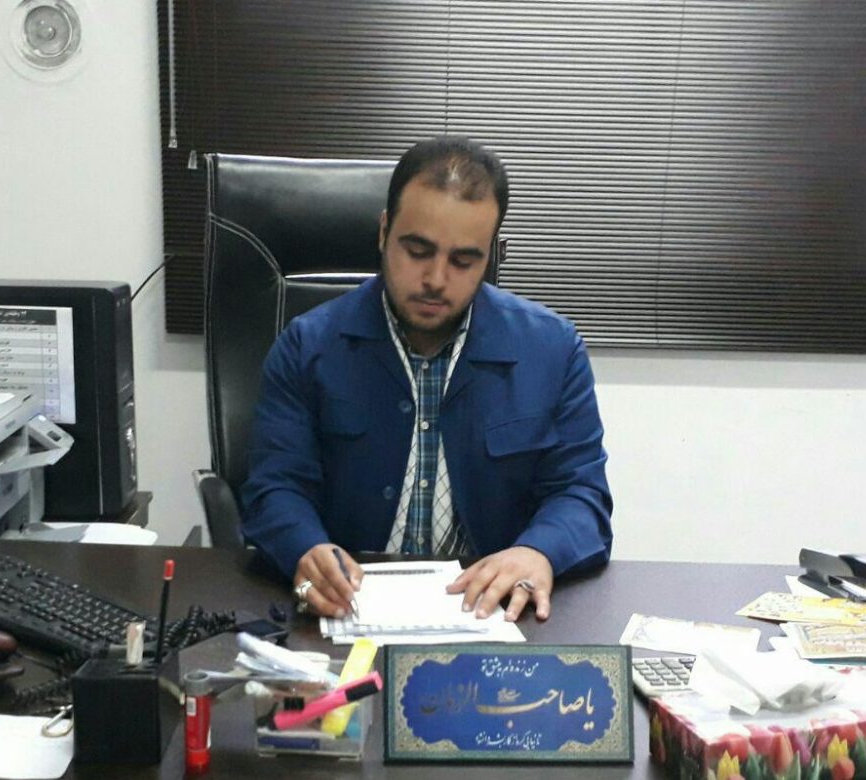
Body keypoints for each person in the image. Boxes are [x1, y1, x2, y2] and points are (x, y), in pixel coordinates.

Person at [241, 136, 612, 623]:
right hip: (348, 612)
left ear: (491, 255)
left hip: (487, 614)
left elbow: (581, 496)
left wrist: (538, 552)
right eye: (417, 251)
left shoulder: (553, 350)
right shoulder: (307, 347)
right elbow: (275, 487)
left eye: (463, 260)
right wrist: (304, 550)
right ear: (384, 232)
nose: (436, 279)